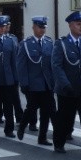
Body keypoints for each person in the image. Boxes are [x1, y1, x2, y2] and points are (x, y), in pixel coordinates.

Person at [51, 11, 81, 155]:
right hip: (67, 89)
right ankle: (59, 143)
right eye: (78, 24)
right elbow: (56, 66)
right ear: (71, 26)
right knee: (65, 119)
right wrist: (65, 84)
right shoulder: (62, 44)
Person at [16, 15, 55, 145]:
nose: (42, 30)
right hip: (33, 84)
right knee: (31, 109)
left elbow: (52, 65)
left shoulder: (49, 43)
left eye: (44, 27)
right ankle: (22, 127)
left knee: (47, 111)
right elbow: (21, 65)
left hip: (47, 84)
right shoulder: (26, 44)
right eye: (39, 27)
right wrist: (24, 83)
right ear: (33, 27)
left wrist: (54, 82)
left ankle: (42, 137)